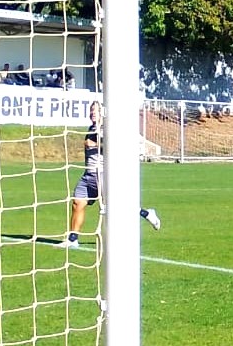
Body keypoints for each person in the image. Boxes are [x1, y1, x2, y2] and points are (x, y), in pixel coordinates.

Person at [59, 103, 162, 248]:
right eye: (91, 111)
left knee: (116, 207)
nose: (93, 113)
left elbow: (113, 144)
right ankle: (73, 239)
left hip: (103, 174)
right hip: (88, 175)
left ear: (103, 113)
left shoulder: (107, 128)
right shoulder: (91, 129)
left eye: (96, 111)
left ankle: (146, 214)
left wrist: (95, 144)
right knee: (77, 203)